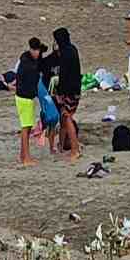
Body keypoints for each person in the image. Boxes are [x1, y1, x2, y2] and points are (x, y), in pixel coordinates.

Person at [51, 27, 83, 162]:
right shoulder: (72, 49)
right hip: (76, 89)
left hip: (68, 90)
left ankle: (75, 149)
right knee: (64, 118)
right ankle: (61, 145)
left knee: (66, 116)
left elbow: (64, 75)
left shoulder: (65, 53)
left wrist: (59, 92)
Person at [14, 38, 46, 166]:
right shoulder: (28, 64)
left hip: (25, 97)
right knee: (26, 128)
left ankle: (23, 155)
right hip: (24, 97)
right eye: (36, 50)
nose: (38, 53)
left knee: (26, 127)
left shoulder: (27, 58)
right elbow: (33, 75)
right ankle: (26, 158)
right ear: (31, 49)